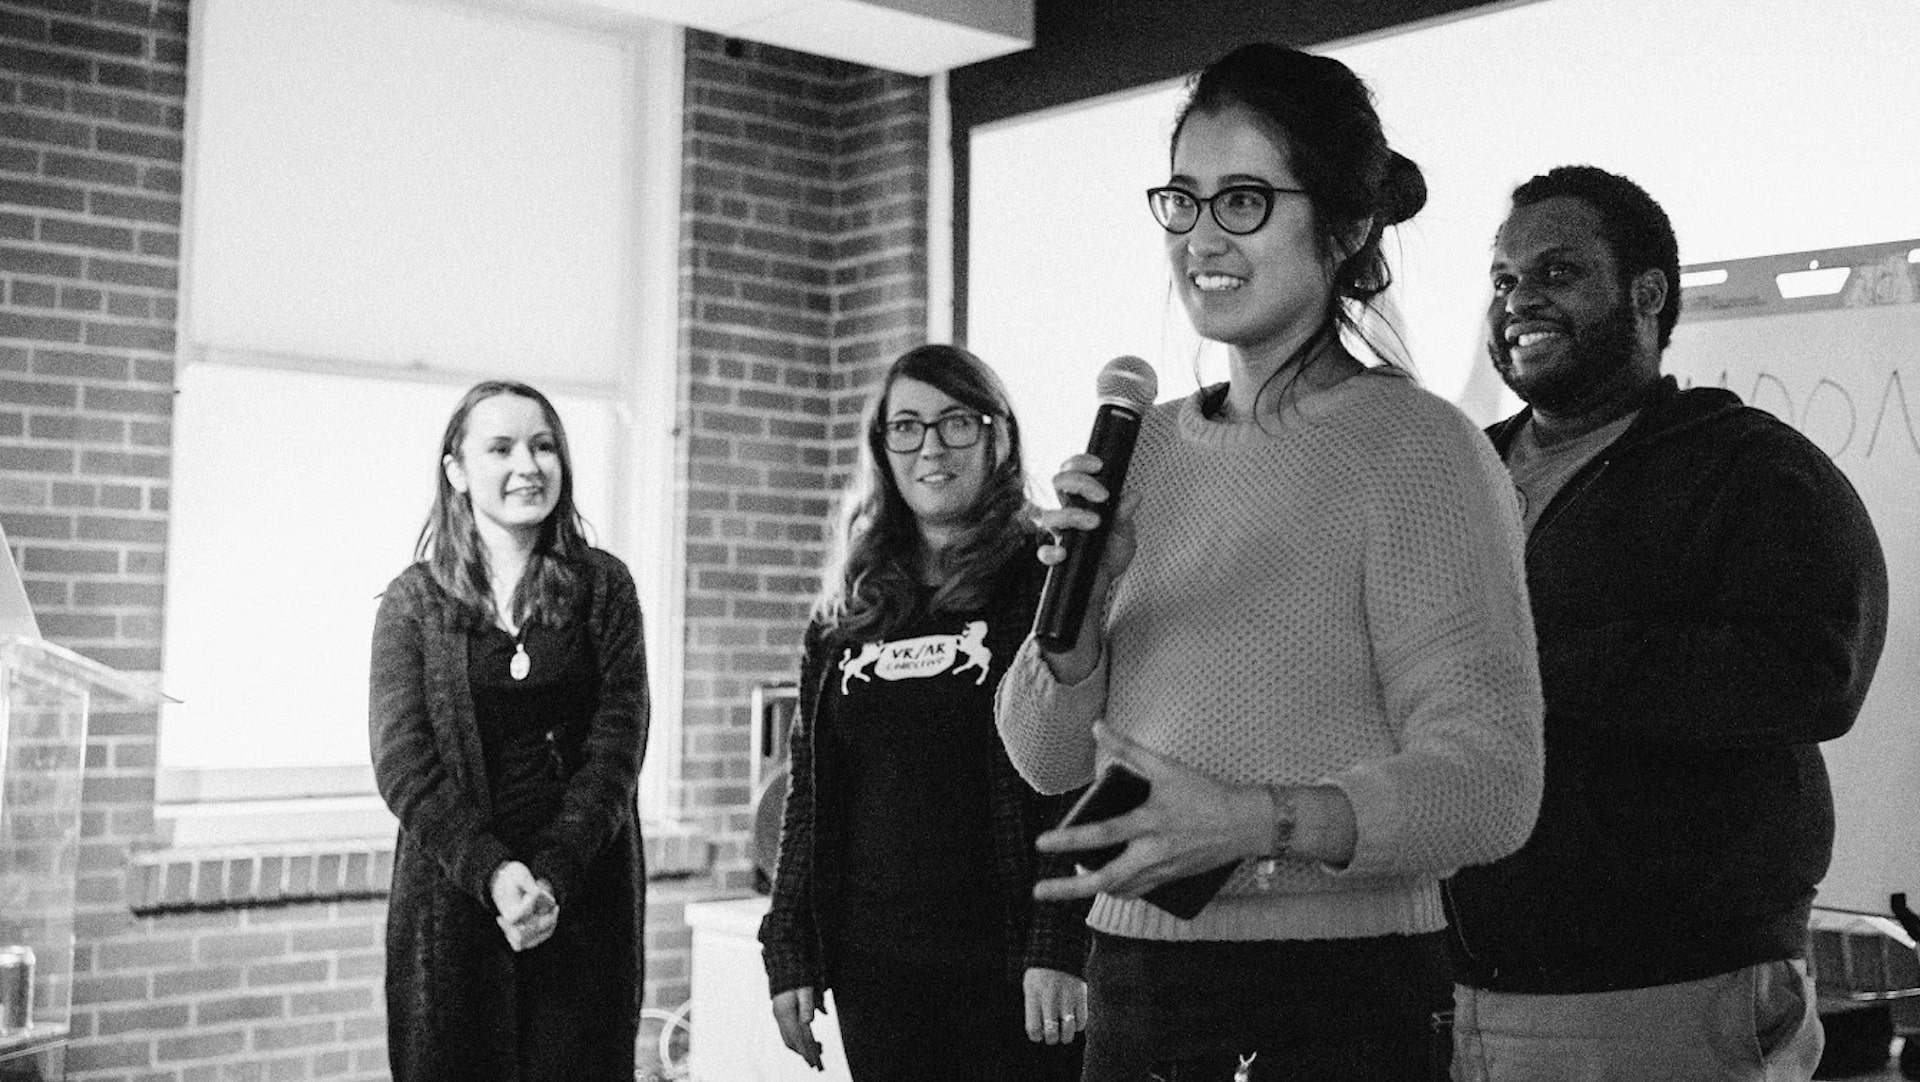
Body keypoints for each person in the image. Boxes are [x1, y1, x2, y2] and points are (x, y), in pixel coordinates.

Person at [995, 42, 1545, 1082]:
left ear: (1342, 227)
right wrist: (1084, 602)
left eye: (1244, 200)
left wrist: (1257, 822)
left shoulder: (1420, 448)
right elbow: (1046, 759)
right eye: (1184, 200)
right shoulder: (1144, 444)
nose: (1202, 236)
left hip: (1338, 989)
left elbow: (1494, 782)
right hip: (1137, 978)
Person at [1444, 165, 1889, 1082]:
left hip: (1669, 989)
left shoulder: (1747, 467)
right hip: (1462, 986)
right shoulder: (1459, 473)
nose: (1519, 299)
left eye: (1558, 272)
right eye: (1502, 280)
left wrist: (1538, 667)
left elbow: (1813, 672)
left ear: (1646, 294)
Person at [758, 344, 1090, 1081]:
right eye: (905, 426)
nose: (930, 447)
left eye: (955, 423)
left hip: (1013, 962)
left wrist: (1060, 945)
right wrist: (788, 947)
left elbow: (1081, 775)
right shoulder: (849, 605)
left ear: (997, 437)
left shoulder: (1046, 580)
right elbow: (809, 793)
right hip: (875, 968)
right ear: (882, 447)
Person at [370, 380, 649, 1081]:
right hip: (454, 914)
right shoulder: (413, 601)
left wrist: (552, 874)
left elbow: (617, 746)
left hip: (584, 903)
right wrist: (495, 874)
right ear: (457, 470)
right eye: (501, 448)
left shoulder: (605, 588)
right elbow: (404, 763)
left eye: (544, 445)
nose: (528, 465)